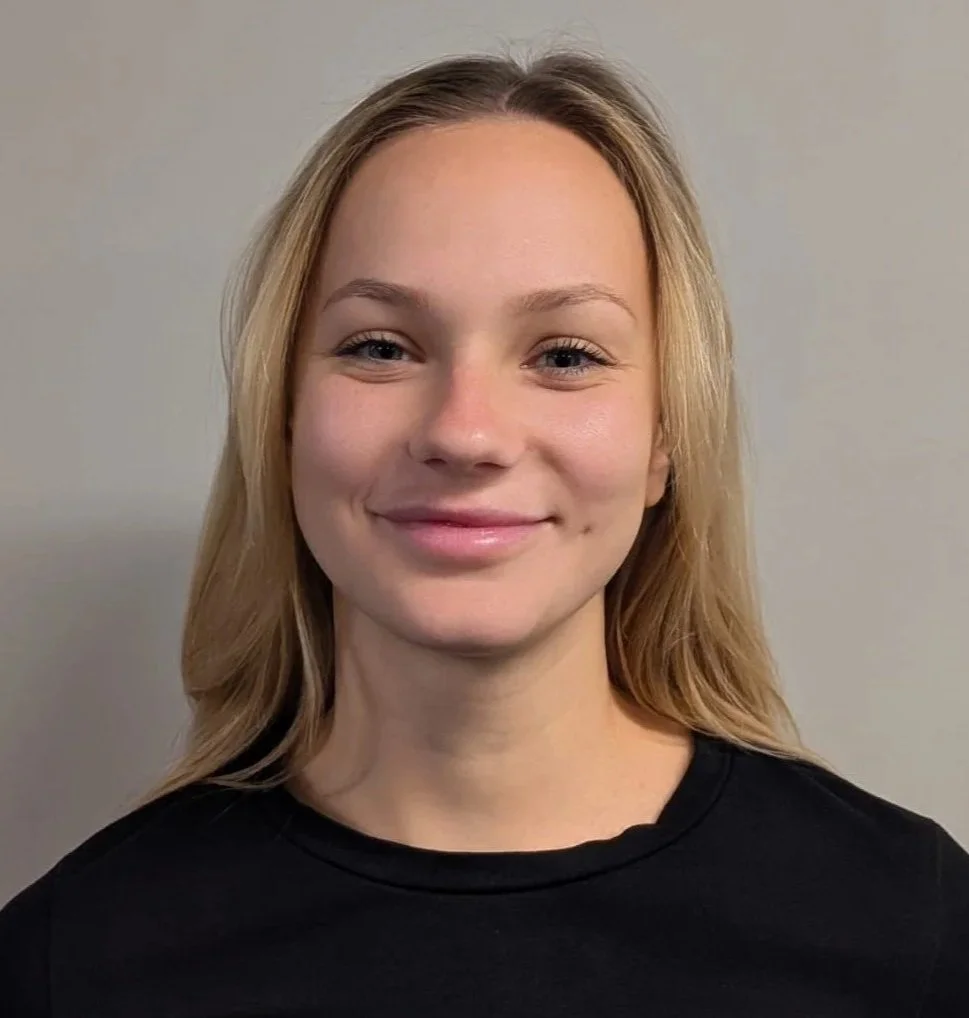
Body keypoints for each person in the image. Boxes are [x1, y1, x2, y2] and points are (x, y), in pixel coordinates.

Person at [1, 45, 966, 1017]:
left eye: (564, 354)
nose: (464, 431)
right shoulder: (70, 964)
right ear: (283, 418)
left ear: (666, 436)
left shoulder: (911, 933)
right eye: (380, 346)